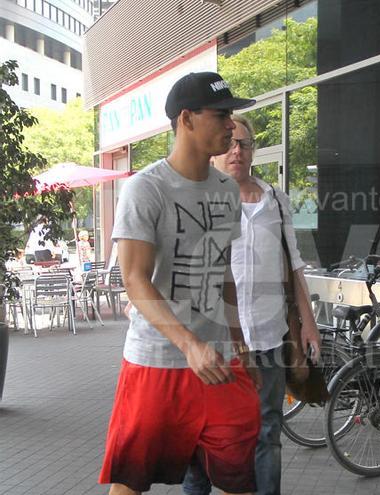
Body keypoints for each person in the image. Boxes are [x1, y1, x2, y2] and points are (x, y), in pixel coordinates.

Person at [98, 72, 261, 495]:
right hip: (156, 362)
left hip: (219, 361)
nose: (231, 125)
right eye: (221, 114)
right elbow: (134, 280)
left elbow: (225, 273)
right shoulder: (145, 189)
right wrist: (189, 345)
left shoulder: (227, 190)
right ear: (187, 119)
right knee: (129, 482)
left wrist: (239, 341)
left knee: (239, 478)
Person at [182, 114, 321, 495]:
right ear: (215, 153)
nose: (236, 151)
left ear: (254, 152)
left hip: (269, 337)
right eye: (230, 143)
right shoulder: (199, 199)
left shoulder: (276, 200)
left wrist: (307, 325)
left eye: (244, 144)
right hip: (217, 343)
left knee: (268, 431)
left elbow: (294, 266)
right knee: (203, 440)